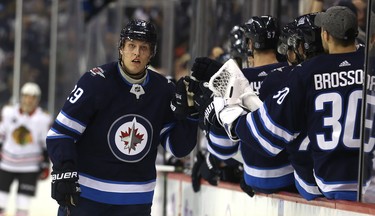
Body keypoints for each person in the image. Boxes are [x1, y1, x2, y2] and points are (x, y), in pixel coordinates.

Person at [211, 6, 368, 201]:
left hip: (327, 183)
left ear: (325, 36)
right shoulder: (371, 66)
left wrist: (234, 120)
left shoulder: (306, 73)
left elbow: (267, 137)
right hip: (370, 185)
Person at [46, 19, 198, 216]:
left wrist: (191, 117)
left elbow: (177, 148)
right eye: (131, 46)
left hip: (135, 201)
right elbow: (60, 134)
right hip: (87, 197)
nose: (136, 53)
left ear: (151, 53)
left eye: (144, 48)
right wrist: (64, 170)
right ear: (121, 48)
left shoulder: (163, 90)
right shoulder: (95, 83)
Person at [0, 82, 51, 216]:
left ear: (37, 99)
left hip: (30, 166)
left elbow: (45, 144)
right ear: (21, 97)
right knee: (1, 201)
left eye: (32, 97)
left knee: (23, 205)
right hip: (7, 163)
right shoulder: (8, 112)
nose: (29, 100)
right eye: (26, 96)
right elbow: (1, 135)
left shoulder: (43, 119)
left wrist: (46, 164)